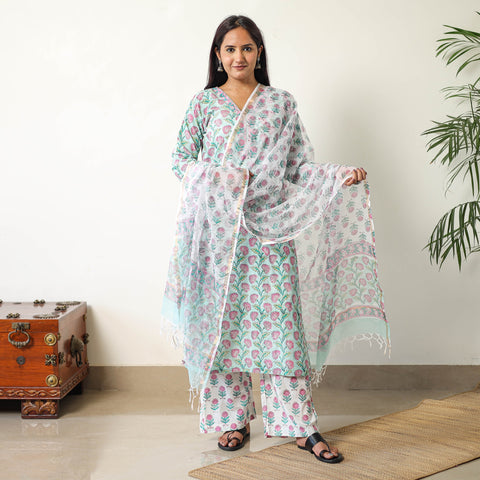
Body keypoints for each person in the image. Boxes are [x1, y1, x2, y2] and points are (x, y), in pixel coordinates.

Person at [162, 15, 389, 464]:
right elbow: (181, 161)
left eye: (246, 48)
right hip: (218, 236)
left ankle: (300, 425)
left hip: (271, 232)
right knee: (224, 326)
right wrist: (226, 177)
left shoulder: (280, 103)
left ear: (259, 52)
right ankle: (232, 419)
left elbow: (299, 167)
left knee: (281, 327)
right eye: (230, 49)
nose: (238, 57)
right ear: (218, 55)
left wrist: (337, 175)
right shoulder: (204, 104)